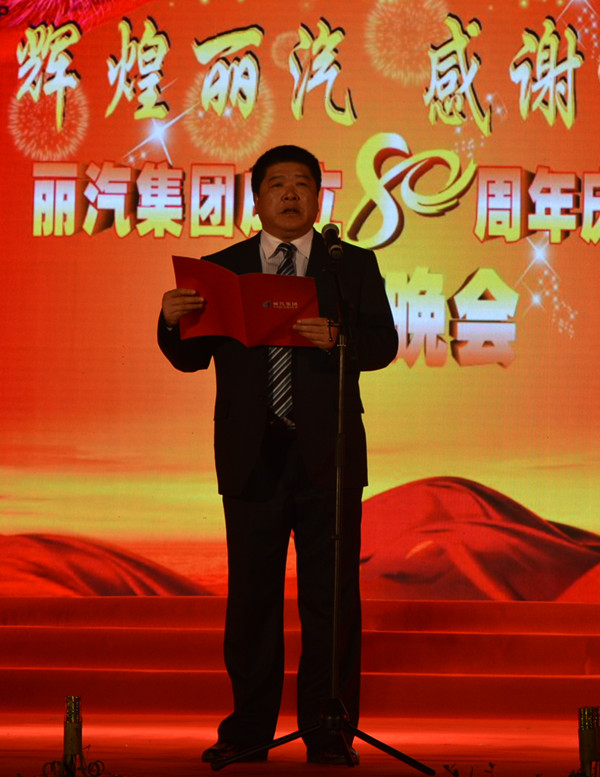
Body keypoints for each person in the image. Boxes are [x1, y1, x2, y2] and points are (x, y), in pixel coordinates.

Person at [158, 145, 398, 765]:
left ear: (318, 196)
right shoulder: (222, 269)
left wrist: (340, 338)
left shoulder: (350, 266)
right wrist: (170, 321)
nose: (290, 194)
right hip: (252, 454)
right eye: (276, 184)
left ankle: (328, 728)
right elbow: (190, 358)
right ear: (257, 198)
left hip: (329, 455)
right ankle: (248, 731)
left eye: (301, 184)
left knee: (331, 598)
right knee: (252, 599)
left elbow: (383, 343)